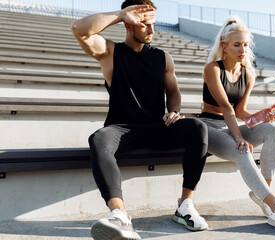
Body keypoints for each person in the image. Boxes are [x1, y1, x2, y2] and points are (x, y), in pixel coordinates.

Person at [71, 0, 209, 239]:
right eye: (144, 25)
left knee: (197, 127)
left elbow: (173, 91)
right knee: (99, 139)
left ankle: (185, 205)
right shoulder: (110, 52)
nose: (152, 31)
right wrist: (120, 14)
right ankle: (120, 215)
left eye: (153, 24)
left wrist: (174, 110)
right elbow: (79, 29)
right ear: (129, 25)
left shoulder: (163, 57)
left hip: (157, 127)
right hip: (122, 130)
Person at [199, 15, 275, 234]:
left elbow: (240, 111)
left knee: (272, 130)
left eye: (245, 44)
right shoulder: (212, 69)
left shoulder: (248, 74)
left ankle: (264, 193)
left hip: (231, 125)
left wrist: (262, 116)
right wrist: (239, 138)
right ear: (224, 46)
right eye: (237, 45)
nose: (243, 49)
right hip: (210, 127)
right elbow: (226, 108)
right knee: (241, 150)